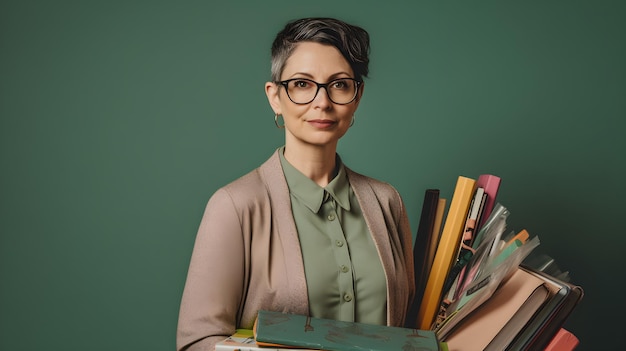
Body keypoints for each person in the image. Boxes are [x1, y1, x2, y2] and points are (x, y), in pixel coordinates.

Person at [176, 17, 415, 351]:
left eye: (340, 84)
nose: (322, 101)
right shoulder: (234, 205)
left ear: (357, 97)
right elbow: (197, 342)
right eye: (302, 84)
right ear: (275, 96)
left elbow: (412, 331)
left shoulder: (387, 201)